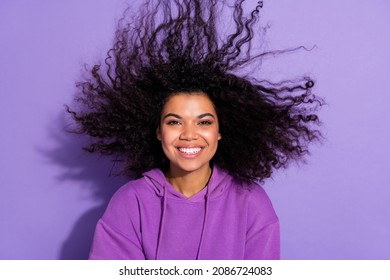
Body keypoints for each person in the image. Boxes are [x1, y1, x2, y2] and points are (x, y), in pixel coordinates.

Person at [67, 0, 323, 259]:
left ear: (221, 131)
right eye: (174, 122)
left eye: (204, 122)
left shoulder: (251, 202)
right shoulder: (130, 202)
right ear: (158, 131)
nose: (189, 134)